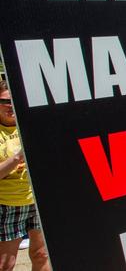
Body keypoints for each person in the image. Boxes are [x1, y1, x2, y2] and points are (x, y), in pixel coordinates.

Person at [0, 81, 51, 271]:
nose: (10, 107)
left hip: (35, 201)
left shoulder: (30, 125)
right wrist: (17, 158)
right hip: (7, 204)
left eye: (14, 102)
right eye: (5, 101)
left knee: (41, 255)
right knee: (6, 264)